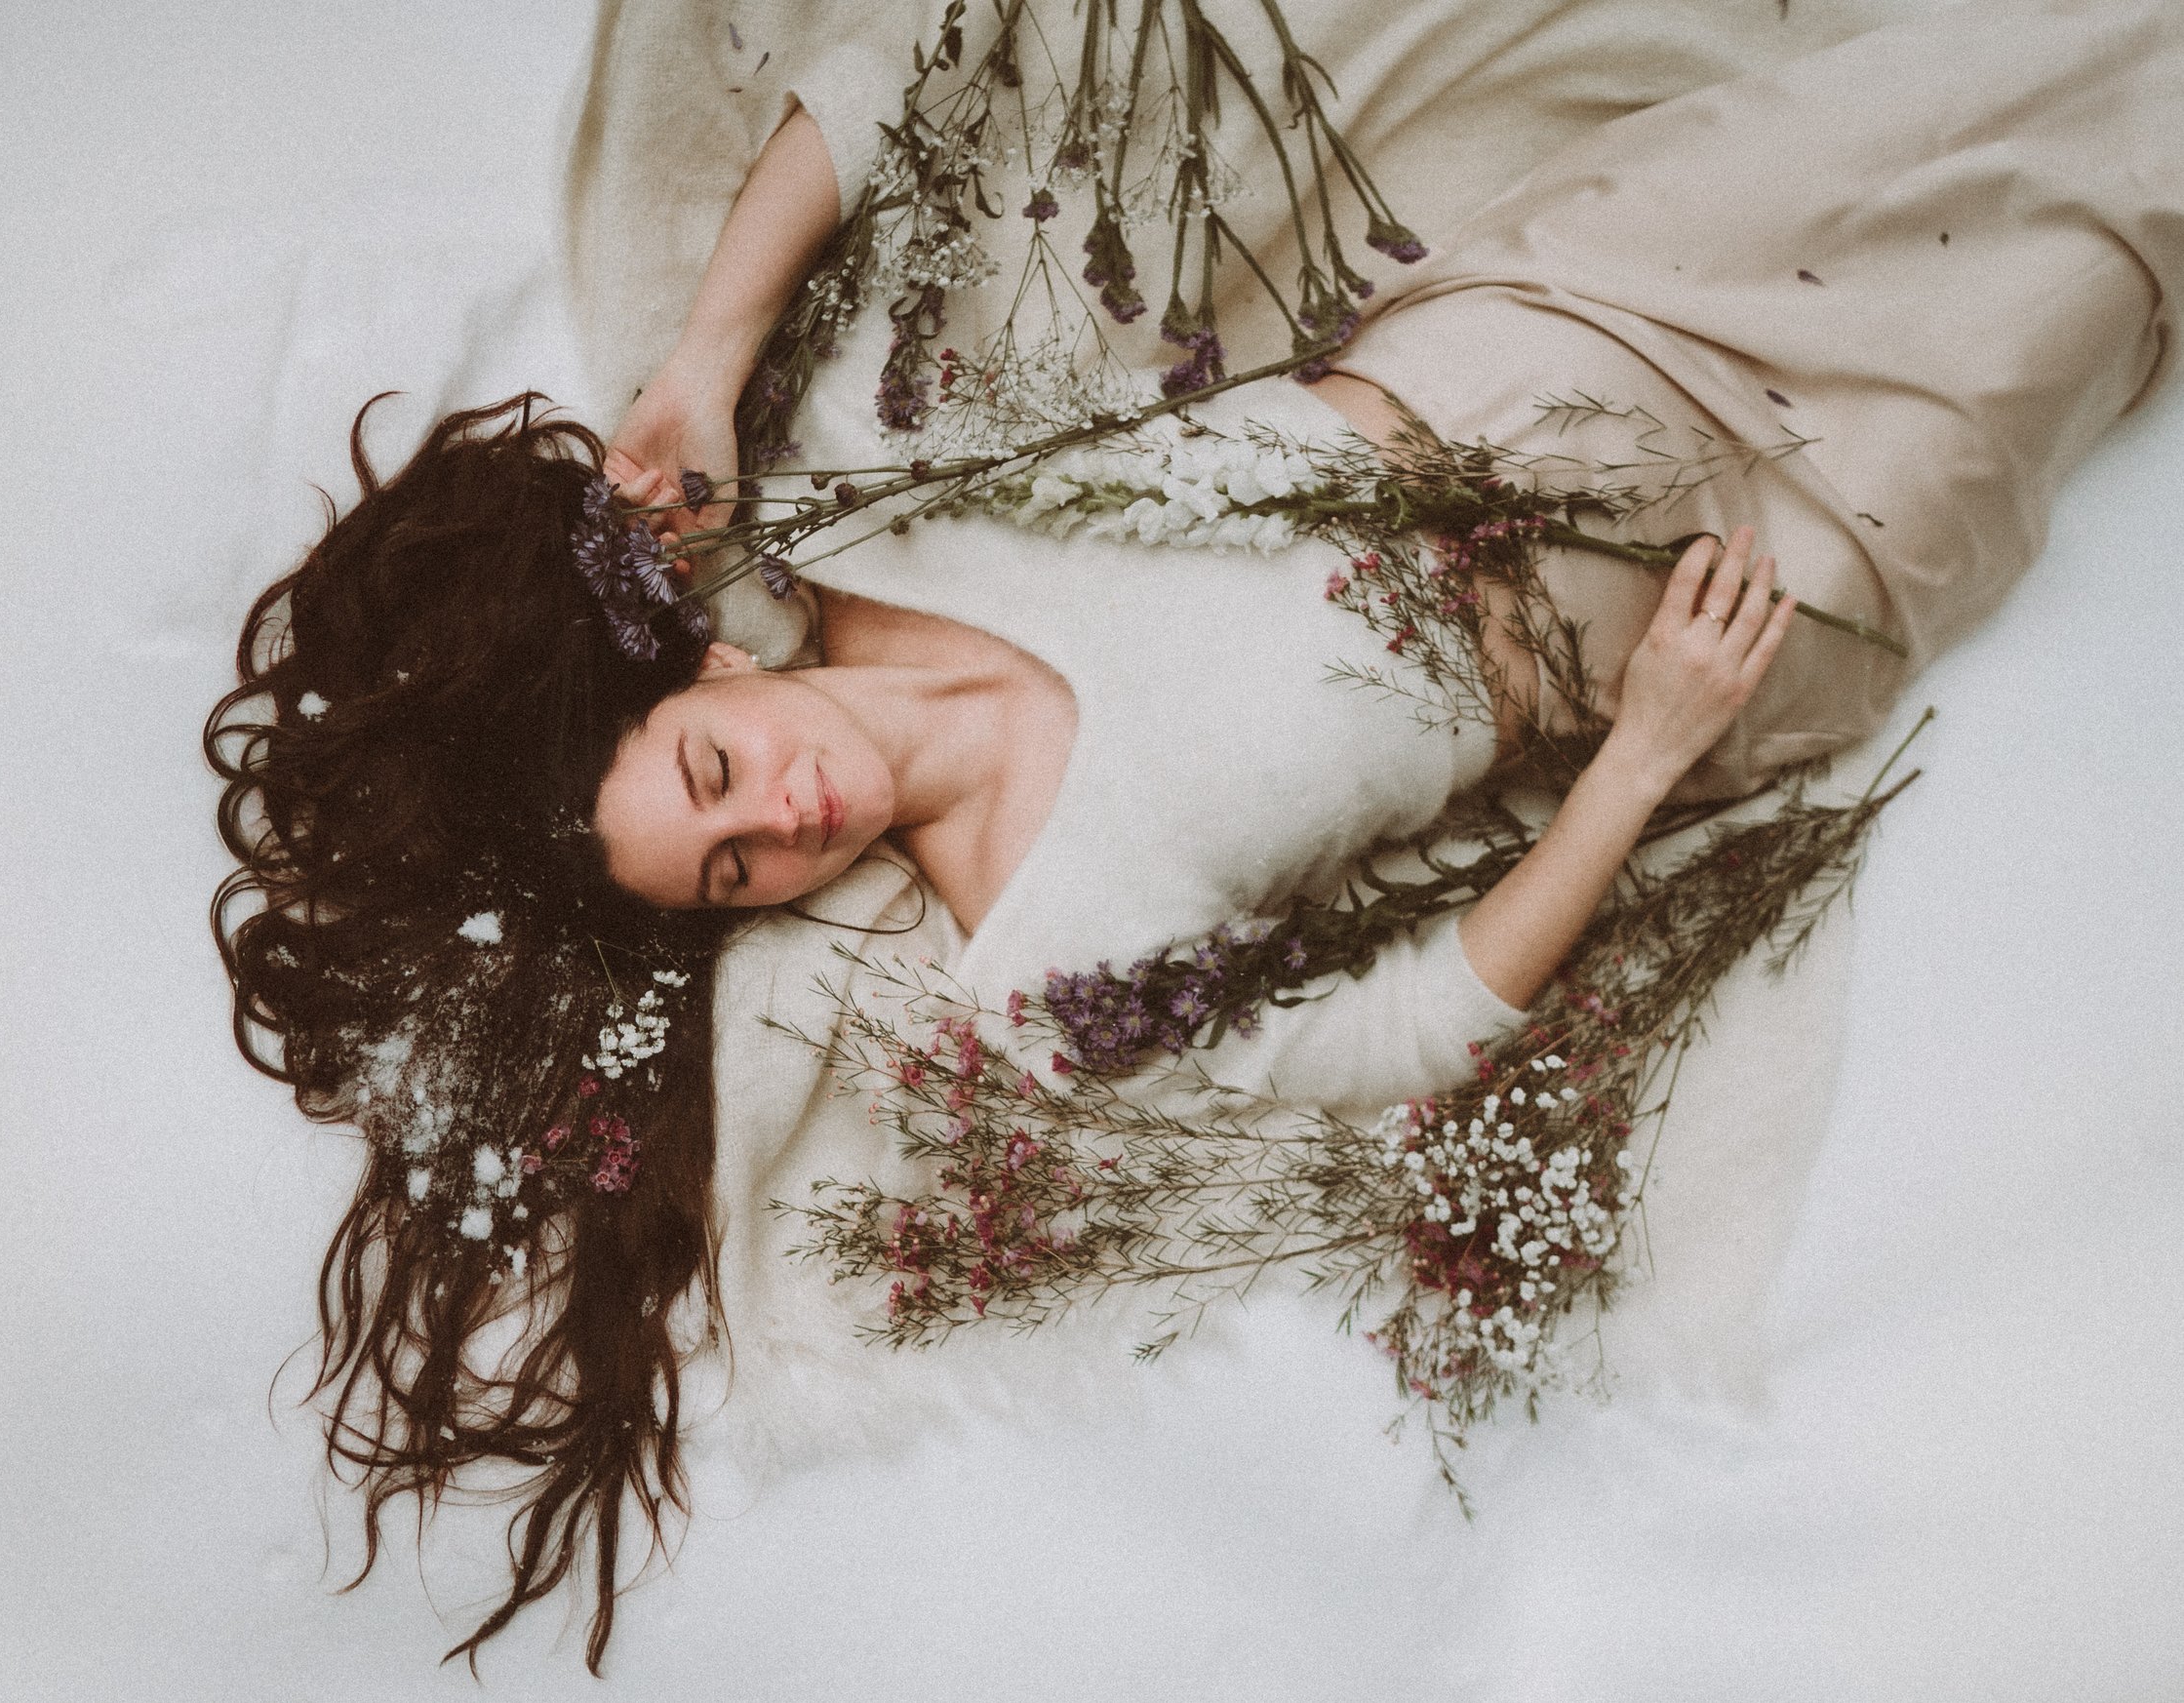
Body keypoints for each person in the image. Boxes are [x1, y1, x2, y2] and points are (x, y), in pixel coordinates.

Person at [206, 0, 2178, 1672]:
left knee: (2031, 55)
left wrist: (711, 349)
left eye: (720, 783)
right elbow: (1407, 1040)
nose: (786, 820)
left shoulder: (859, 526)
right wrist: (1645, 762)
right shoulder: (1041, 969)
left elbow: (936, 60)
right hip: (1702, 617)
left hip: (1550, 320)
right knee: (2097, 253)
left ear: (700, 688)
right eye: (733, 875)